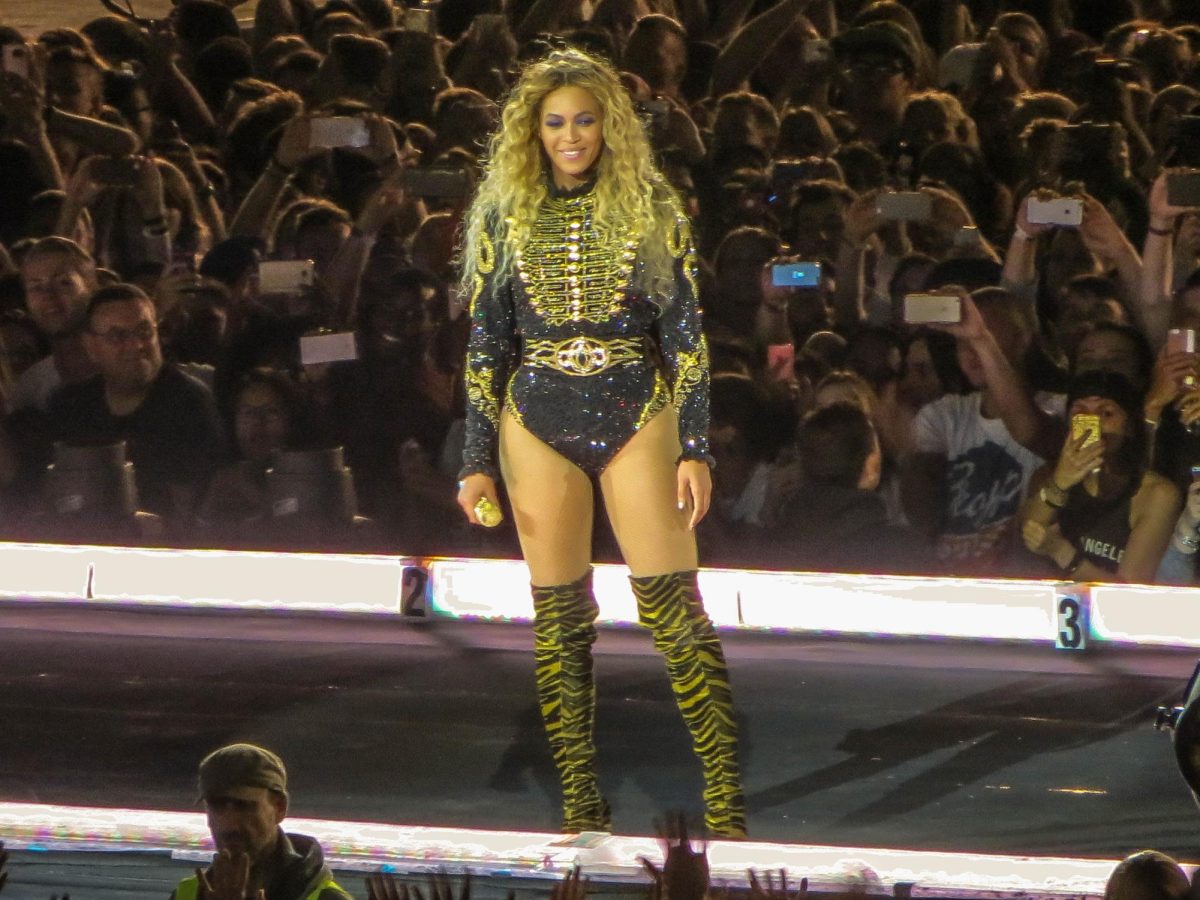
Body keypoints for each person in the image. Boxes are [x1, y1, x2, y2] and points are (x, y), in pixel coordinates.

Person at [454, 48, 744, 838]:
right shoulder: (504, 217)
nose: (571, 135)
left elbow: (685, 337)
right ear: (533, 133)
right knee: (559, 619)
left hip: (634, 405)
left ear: (608, 127)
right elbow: (486, 346)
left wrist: (696, 447)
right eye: (555, 123)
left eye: (584, 121)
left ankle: (726, 804)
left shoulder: (653, 208)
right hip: (535, 413)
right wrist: (475, 461)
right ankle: (582, 804)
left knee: (673, 611)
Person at [1021, 371, 1180, 583]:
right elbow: (1028, 532)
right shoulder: (1048, 476)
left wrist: (1062, 553)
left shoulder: (1156, 494)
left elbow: (1130, 592)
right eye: (1080, 413)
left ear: (1130, 425)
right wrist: (1060, 482)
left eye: (1106, 414)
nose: (1092, 423)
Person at [171, 743, 352, 900]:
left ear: (279, 807)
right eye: (216, 805)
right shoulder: (187, 894)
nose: (229, 824)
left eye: (245, 807)